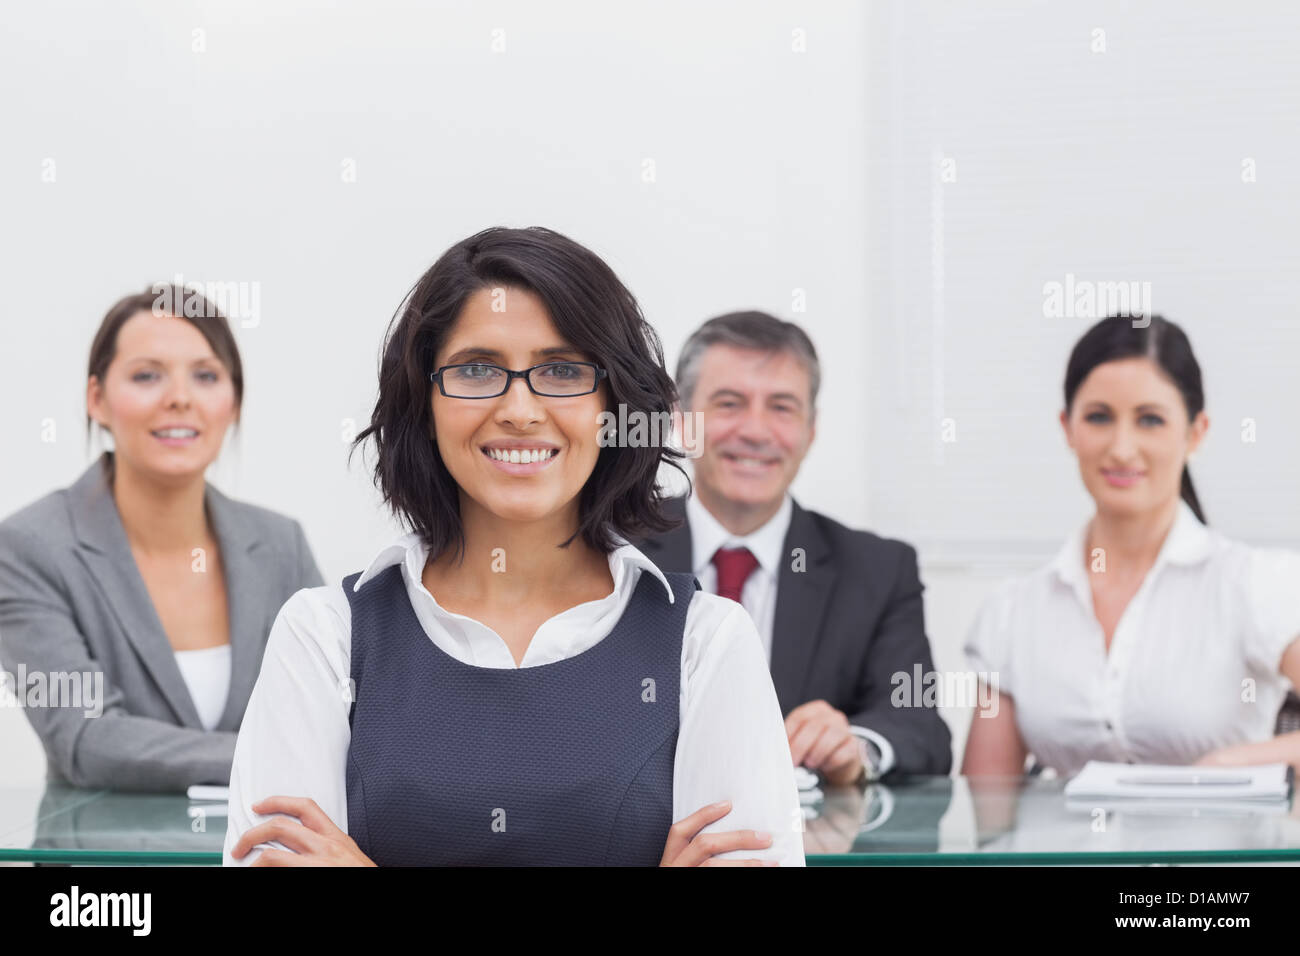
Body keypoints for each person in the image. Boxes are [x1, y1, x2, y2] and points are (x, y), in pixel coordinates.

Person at [224, 227, 804, 866]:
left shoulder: (705, 644)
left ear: (613, 404)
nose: (520, 409)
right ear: (425, 403)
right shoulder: (324, 639)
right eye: (477, 370)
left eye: (561, 370)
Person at [0, 286, 323, 792]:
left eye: (206, 376)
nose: (179, 397)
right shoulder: (27, 546)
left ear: (233, 402)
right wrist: (277, 752)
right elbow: (87, 738)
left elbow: (335, 712)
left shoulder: (282, 544)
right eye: (147, 375)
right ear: (97, 400)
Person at [962, 314, 1300, 778]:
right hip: (1063, 852)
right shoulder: (1011, 613)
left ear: (1196, 433)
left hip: (1224, 850)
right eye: (1099, 417)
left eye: (1150, 420)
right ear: (1067, 428)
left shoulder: (1257, 585)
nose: (1122, 448)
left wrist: (1228, 764)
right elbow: (985, 813)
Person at [639, 311, 952, 784]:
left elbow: (921, 727)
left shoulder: (880, 570)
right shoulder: (615, 548)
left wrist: (855, 746)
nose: (757, 431)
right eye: (729, 403)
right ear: (682, 421)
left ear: (811, 428)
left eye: (782, 407)